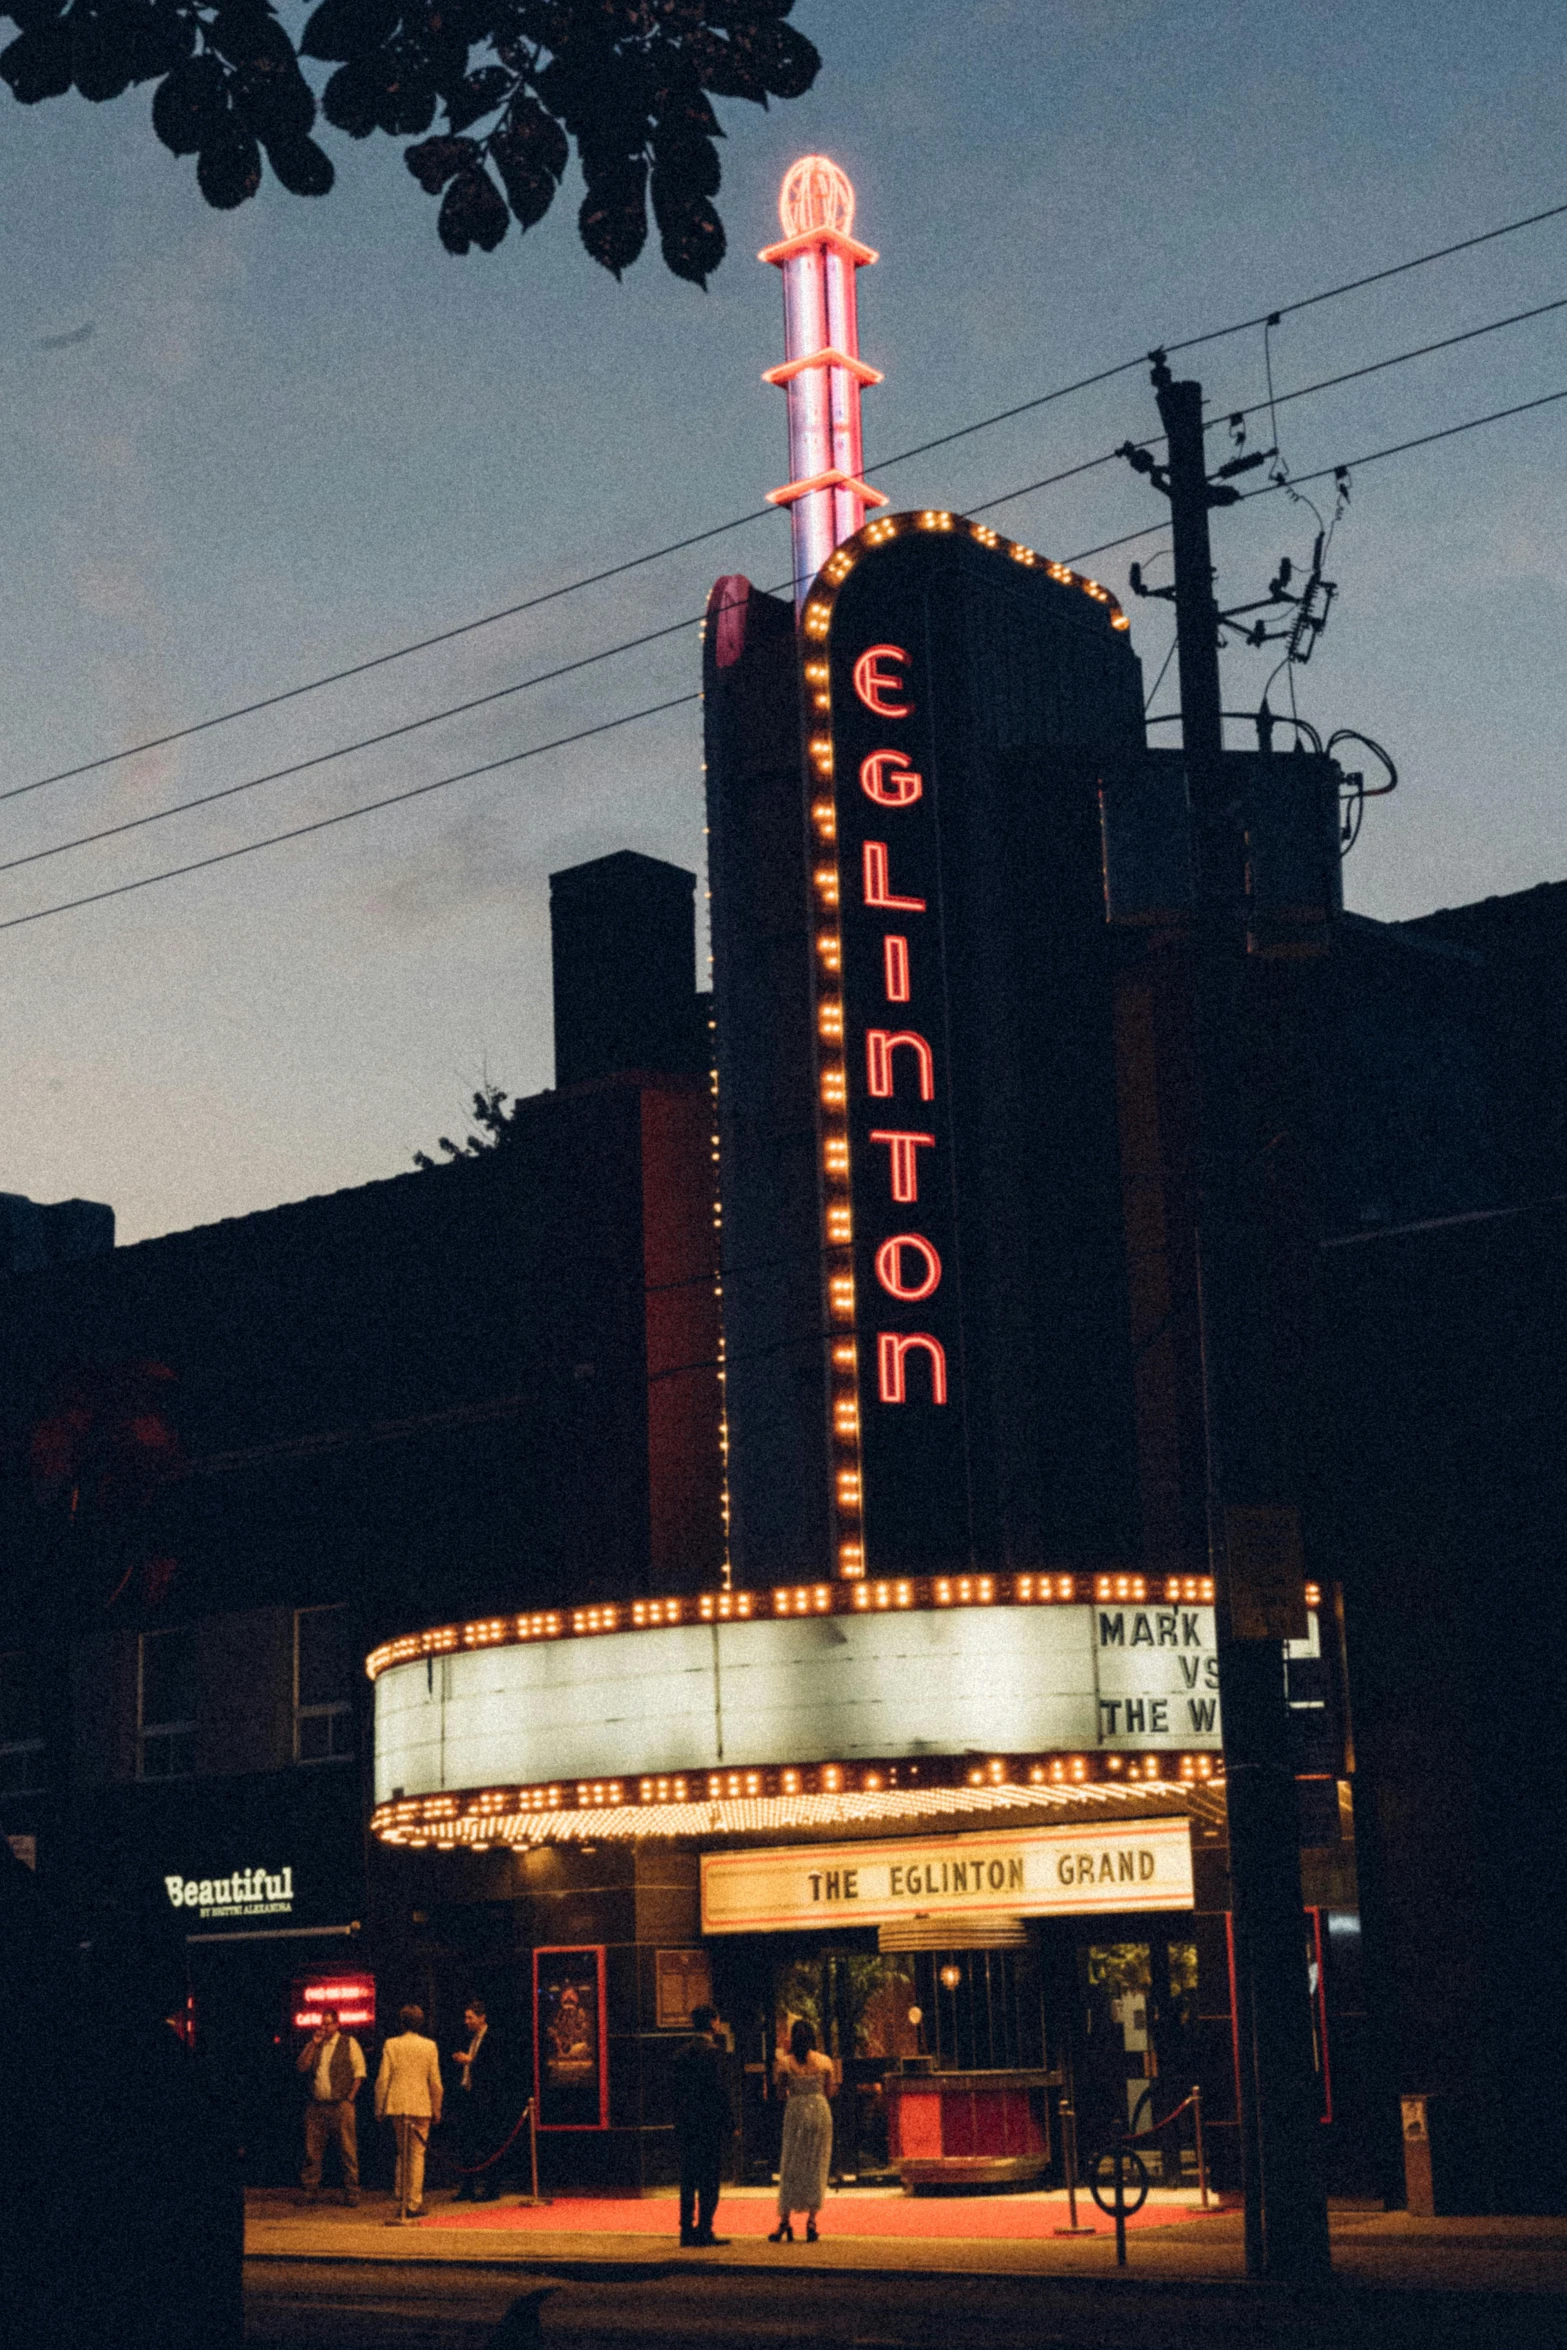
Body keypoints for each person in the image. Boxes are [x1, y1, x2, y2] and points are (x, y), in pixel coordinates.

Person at [770, 2017, 838, 2242]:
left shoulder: (783, 2064)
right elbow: (829, 2092)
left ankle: (784, 2221)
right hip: (819, 2112)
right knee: (816, 2165)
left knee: (790, 2164)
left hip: (795, 2113)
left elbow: (780, 2095)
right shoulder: (825, 2062)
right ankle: (811, 2221)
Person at [374, 2003, 443, 2220]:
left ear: (402, 2022)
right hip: (421, 2105)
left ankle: (402, 2198)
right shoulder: (429, 2046)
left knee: (402, 2153)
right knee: (417, 2155)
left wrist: (380, 2106)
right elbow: (435, 2082)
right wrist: (436, 2107)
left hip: (398, 2104)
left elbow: (383, 2079)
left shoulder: (391, 2044)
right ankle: (414, 2202)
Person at [670, 2003, 732, 2247]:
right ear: (713, 2022)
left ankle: (686, 2229)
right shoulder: (714, 2053)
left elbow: (674, 2092)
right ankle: (705, 2228)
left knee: (688, 2178)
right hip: (709, 2125)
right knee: (709, 2178)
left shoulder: (680, 2054)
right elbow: (720, 2091)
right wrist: (730, 2122)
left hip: (686, 2124)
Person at [296, 2005, 367, 2205]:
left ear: (337, 2024)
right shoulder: (315, 2044)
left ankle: (352, 2191)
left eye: (328, 2024)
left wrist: (350, 2097)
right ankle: (310, 2190)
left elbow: (359, 2072)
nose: (325, 2028)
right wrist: (313, 2044)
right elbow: (301, 2066)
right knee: (312, 2151)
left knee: (347, 2150)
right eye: (323, 2023)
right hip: (316, 2106)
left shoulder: (348, 2042)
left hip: (340, 2105)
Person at [451, 1996, 504, 2201]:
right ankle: (468, 2187)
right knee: (467, 2144)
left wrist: (471, 2060)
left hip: (487, 2100)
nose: (467, 2021)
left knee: (488, 2144)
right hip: (469, 2096)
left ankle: (491, 2188)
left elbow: (496, 2068)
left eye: (470, 2017)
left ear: (482, 2018)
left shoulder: (493, 2038)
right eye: (465, 2017)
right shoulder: (471, 2038)